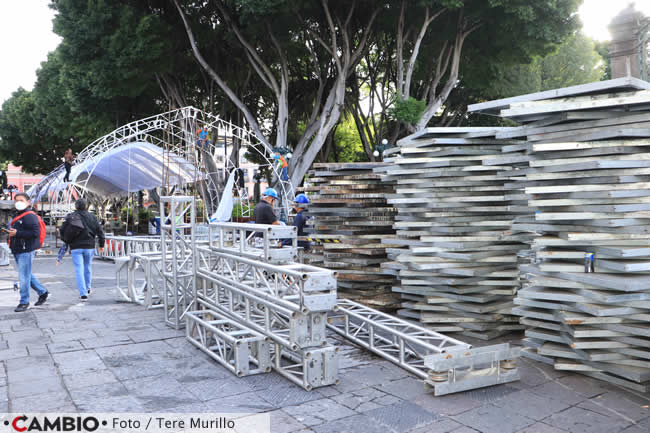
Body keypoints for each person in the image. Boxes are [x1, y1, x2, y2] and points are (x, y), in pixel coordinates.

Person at [7, 193, 48, 312]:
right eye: (16, 200)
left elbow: (35, 233)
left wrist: (17, 233)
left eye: (21, 200)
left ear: (28, 202)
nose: (18, 202)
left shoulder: (30, 216)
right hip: (18, 249)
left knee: (23, 276)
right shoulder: (18, 214)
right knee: (26, 274)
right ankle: (43, 292)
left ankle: (24, 302)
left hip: (26, 250)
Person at [60, 198, 105, 301]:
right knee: (87, 267)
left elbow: (62, 230)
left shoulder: (70, 217)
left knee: (79, 269)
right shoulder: (92, 217)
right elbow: (100, 232)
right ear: (86, 206)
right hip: (89, 246)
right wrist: (101, 245)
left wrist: (67, 241)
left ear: (76, 206)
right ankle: (88, 288)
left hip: (75, 247)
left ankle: (83, 293)